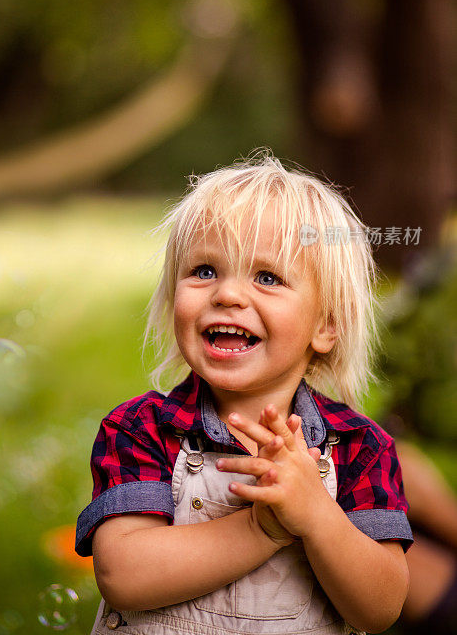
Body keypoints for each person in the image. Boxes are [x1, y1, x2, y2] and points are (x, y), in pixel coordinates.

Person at [75, 153, 413, 635]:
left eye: (267, 278)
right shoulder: (143, 429)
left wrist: (317, 515)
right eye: (205, 271)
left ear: (326, 325)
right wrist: (262, 529)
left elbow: (379, 608)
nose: (228, 295)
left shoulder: (359, 447)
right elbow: (123, 575)